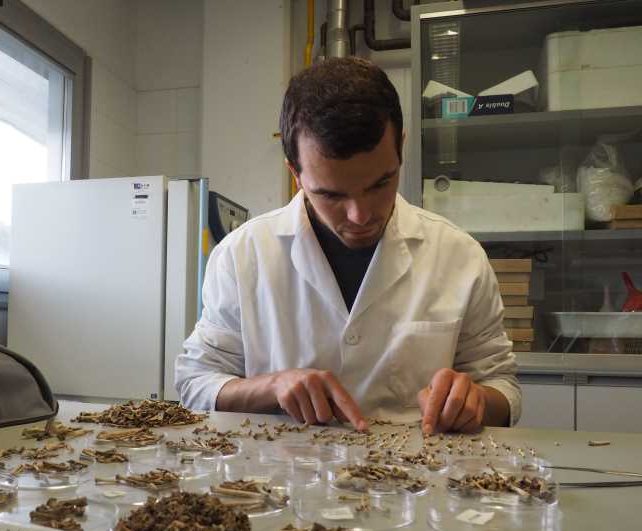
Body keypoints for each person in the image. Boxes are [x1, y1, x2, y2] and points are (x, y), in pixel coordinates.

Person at [175, 57, 520, 434]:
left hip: (417, 484)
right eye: (332, 195)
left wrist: (475, 401)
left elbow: (503, 387)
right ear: (296, 173)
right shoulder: (243, 255)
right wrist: (272, 387)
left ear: (400, 149)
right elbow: (196, 382)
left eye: (380, 184)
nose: (360, 215)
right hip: (281, 480)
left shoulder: (459, 255)